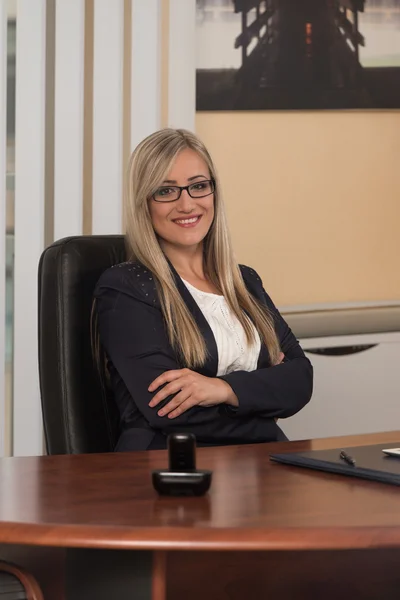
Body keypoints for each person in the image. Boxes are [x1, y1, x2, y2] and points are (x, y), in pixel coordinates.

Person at [94, 128, 313, 452]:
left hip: (258, 469)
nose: (187, 204)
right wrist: (263, 405)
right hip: (170, 471)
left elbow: (300, 379)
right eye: (166, 191)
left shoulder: (244, 281)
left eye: (198, 186)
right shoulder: (126, 287)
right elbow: (168, 411)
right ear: (144, 202)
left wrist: (221, 389)